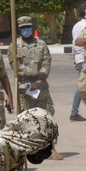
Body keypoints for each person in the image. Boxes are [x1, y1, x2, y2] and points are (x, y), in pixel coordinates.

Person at [15, 15, 63, 160]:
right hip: (24, 88)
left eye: (28, 27)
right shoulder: (15, 45)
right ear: (19, 29)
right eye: (23, 28)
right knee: (26, 119)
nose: (26, 30)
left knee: (47, 116)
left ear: (32, 27)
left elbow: (46, 63)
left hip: (41, 87)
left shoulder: (41, 44)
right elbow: (16, 67)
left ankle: (50, 147)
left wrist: (39, 79)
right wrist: (35, 75)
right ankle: (29, 148)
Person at [69, 13, 86, 122]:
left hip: (79, 59)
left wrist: (75, 60)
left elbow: (73, 44)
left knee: (85, 86)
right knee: (83, 87)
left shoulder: (76, 25)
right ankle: (74, 112)